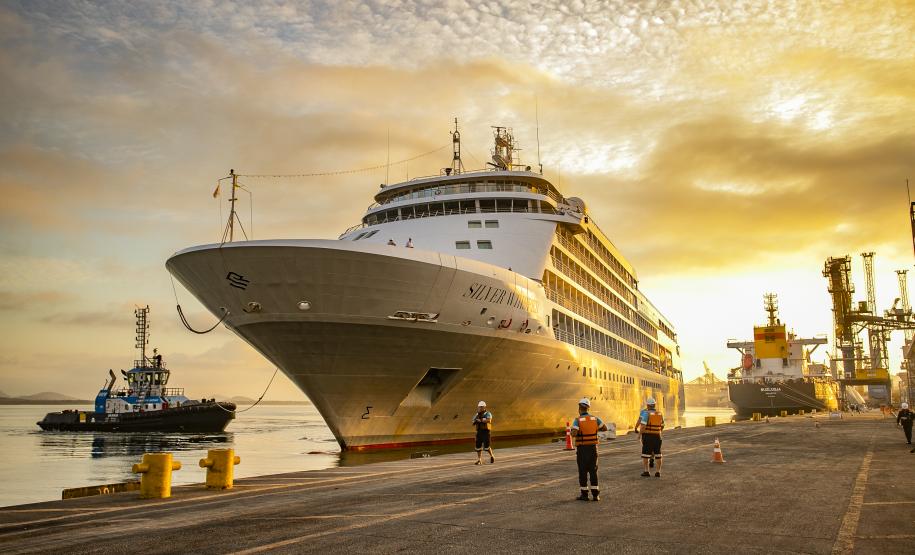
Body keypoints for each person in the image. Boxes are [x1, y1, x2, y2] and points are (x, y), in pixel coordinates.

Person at [571, 397, 608, 501]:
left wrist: (572, 431)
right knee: (593, 471)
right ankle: (596, 495)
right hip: (593, 449)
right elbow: (604, 428)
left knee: (582, 472)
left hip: (582, 449)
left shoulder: (577, 420)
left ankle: (584, 495)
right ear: (588, 408)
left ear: (579, 408)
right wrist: (594, 429)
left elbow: (574, 434)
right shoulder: (595, 419)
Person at [634, 398, 664, 477]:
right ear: (654, 405)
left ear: (647, 405)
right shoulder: (659, 413)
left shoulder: (646, 413)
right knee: (658, 454)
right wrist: (658, 432)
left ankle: (646, 471)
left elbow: (643, 426)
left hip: (648, 436)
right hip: (658, 436)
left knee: (645, 455)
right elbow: (662, 425)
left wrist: (639, 435)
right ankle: (658, 472)